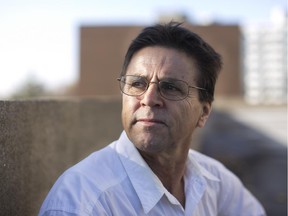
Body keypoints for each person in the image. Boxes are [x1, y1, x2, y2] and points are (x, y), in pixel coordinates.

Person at [39, 22, 266, 216]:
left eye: (171, 87)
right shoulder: (82, 202)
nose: (148, 99)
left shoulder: (214, 181)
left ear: (204, 112)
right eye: (137, 84)